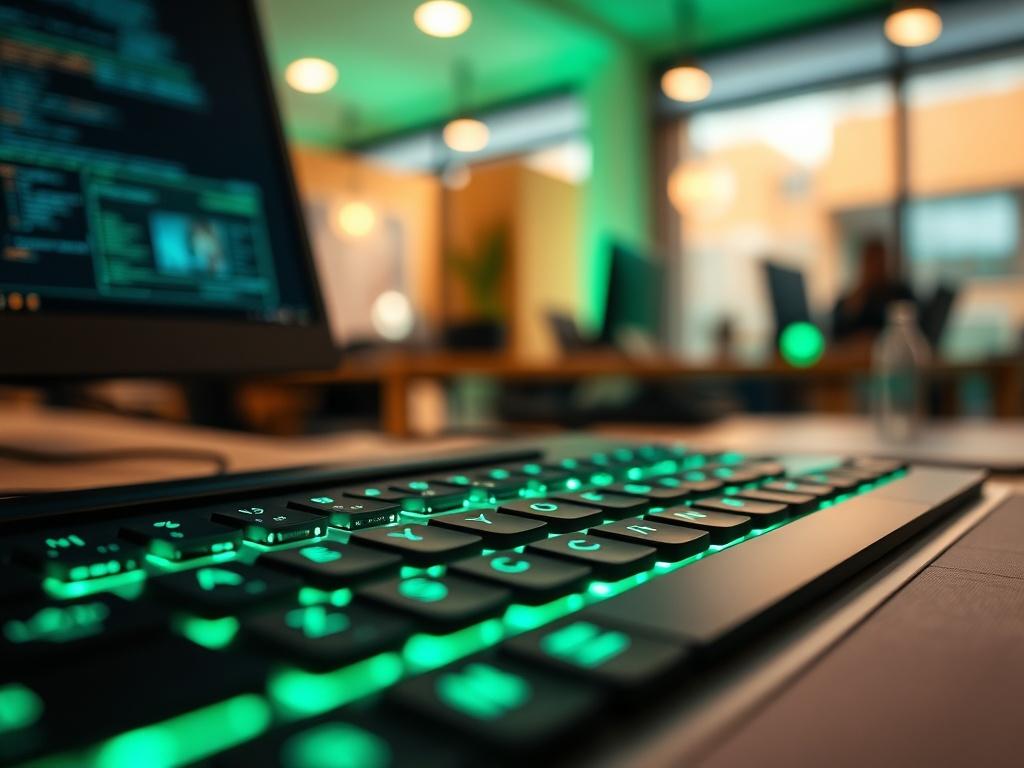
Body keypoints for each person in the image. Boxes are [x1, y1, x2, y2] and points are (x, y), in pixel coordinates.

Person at [831, 236, 914, 342]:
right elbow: (838, 336)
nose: (876, 266)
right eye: (872, 260)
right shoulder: (851, 299)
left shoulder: (900, 294)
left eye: (880, 260)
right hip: (856, 355)